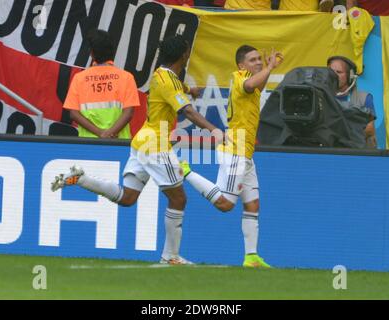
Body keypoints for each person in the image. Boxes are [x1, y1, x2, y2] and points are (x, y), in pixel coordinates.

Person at [51, 35, 221, 265]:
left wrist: (190, 89)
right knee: (179, 198)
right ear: (185, 54)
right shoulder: (168, 79)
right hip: (156, 144)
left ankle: (81, 179)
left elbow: (177, 88)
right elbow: (188, 112)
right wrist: (215, 130)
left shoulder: (162, 74)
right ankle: (170, 256)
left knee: (128, 198)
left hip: (142, 141)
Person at [181, 45, 284, 268]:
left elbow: (255, 86)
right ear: (241, 65)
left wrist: (266, 69)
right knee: (226, 204)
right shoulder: (240, 78)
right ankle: (186, 171)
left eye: (259, 59)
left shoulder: (252, 84)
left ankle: (251, 257)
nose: (257, 62)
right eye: (253, 60)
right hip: (235, 151)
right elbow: (249, 85)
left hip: (246, 154)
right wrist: (270, 67)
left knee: (253, 204)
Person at [63, 29, 139, 139]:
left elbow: (74, 114)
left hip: (88, 143)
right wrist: (109, 134)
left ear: (92, 54)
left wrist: (100, 133)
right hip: (119, 143)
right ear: (113, 52)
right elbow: (128, 113)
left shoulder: (79, 78)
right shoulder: (126, 77)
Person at [327, 56, 377, 148]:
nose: (333, 75)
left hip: (358, 154)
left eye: (339, 72)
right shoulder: (321, 97)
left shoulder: (364, 98)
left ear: (350, 76)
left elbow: (369, 129)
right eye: (331, 72)